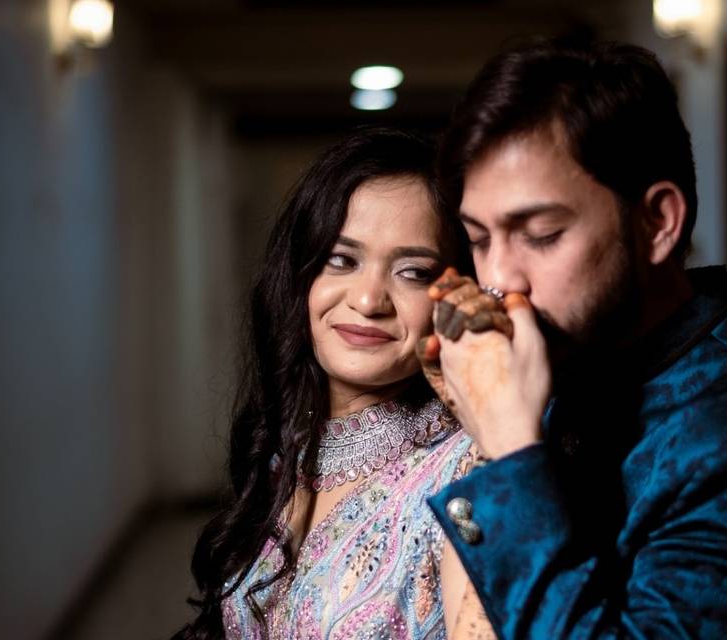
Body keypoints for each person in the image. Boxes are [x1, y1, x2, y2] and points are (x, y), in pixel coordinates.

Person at [417, 38, 727, 638]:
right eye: (478, 238)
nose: (498, 279)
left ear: (657, 222)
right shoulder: (565, 361)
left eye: (542, 234)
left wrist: (509, 454)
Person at [174, 127, 497, 640]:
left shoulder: (471, 472)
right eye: (341, 260)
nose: (369, 300)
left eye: (412, 272)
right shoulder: (285, 452)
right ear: (300, 275)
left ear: (455, 291)